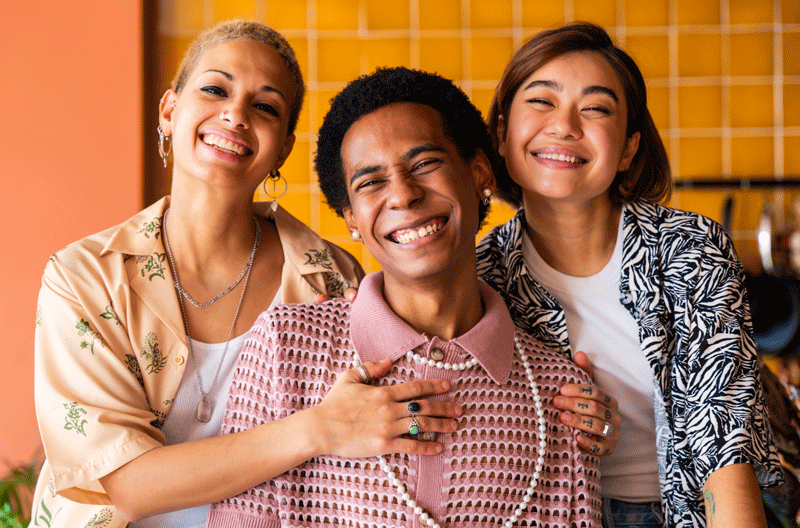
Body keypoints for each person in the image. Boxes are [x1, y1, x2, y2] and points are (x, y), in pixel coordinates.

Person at [30, 21, 461, 528]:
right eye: (215, 89)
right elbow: (126, 485)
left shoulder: (332, 281)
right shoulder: (86, 278)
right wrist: (315, 430)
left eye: (265, 107)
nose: (235, 115)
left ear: (282, 148)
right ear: (169, 111)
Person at [206, 66, 602, 528]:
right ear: (352, 218)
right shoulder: (284, 347)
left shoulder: (559, 394)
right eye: (371, 181)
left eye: (424, 164)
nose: (403, 194)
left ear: (478, 174)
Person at [476, 22, 783, 527]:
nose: (564, 126)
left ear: (627, 149)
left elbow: (724, 451)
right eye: (541, 102)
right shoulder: (482, 276)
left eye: (595, 108)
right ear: (503, 136)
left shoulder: (690, 249)